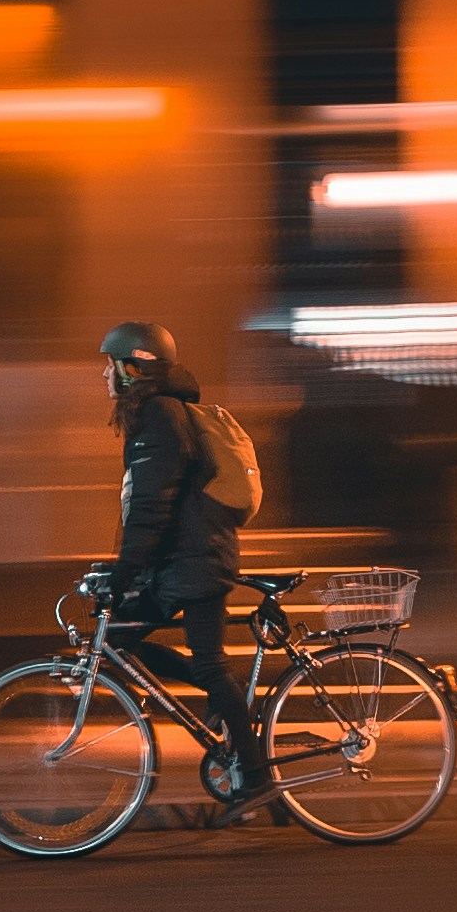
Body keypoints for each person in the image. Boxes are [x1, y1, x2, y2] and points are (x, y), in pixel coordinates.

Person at [96, 319, 274, 814]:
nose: (102, 376)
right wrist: (124, 566)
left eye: (108, 365)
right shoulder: (157, 414)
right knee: (119, 640)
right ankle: (228, 702)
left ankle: (256, 777)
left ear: (133, 368)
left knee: (210, 664)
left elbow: (154, 503)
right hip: (183, 560)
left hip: (194, 562)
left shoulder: (160, 416)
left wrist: (125, 570)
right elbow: (146, 504)